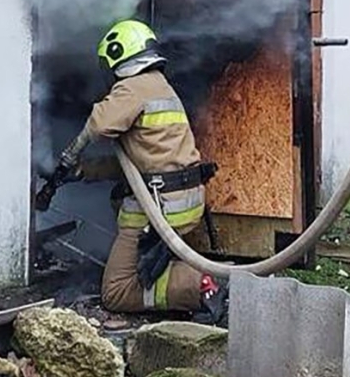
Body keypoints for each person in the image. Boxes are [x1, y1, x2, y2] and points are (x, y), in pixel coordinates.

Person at [56, 19, 227, 323]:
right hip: (181, 204)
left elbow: (99, 123)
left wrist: (70, 155)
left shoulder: (133, 87)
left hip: (159, 211)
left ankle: (198, 284)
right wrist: (85, 172)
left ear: (118, 56)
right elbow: (140, 165)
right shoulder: (159, 85)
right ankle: (190, 279)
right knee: (138, 266)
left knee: (116, 291)